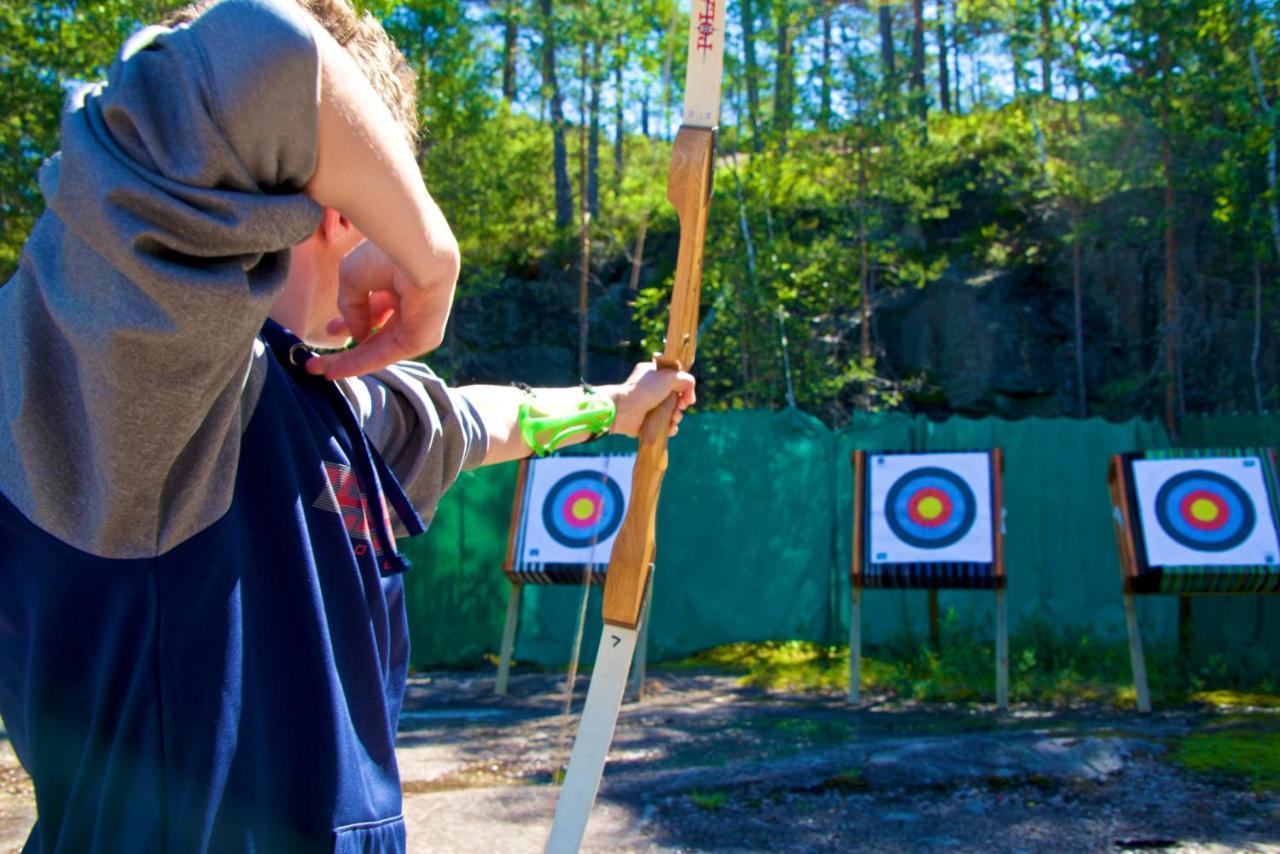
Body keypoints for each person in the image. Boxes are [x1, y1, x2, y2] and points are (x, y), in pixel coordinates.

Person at [0, 0, 694, 850]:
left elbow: (480, 418)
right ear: (340, 207)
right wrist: (431, 260)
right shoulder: (131, 366)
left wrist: (615, 408)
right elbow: (262, 55)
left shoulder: (336, 401)